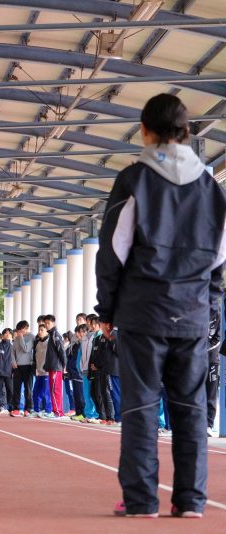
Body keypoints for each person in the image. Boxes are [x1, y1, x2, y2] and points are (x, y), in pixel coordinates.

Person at [95, 94, 226, 518]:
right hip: (192, 315)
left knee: (140, 408)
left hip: (142, 313)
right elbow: (219, 260)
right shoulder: (211, 189)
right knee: (191, 409)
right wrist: (209, 306)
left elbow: (113, 251)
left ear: (144, 130)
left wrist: (106, 310)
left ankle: (141, 500)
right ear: (186, 132)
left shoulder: (134, 180)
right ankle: (190, 501)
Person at [42, 315, 67, 419]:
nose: (47, 325)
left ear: (53, 323)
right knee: (53, 389)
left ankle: (58, 412)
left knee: (55, 390)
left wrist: (64, 365)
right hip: (52, 367)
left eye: (48, 323)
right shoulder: (51, 334)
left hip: (56, 367)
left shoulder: (55, 334)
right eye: (45, 323)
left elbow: (61, 351)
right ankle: (57, 411)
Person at [11, 320, 35, 417]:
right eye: (18, 330)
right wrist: (13, 361)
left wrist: (21, 337)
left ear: (26, 328)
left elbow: (26, 349)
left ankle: (27, 409)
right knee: (16, 388)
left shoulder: (31, 337)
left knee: (28, 389)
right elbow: (12, 351)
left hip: (28, 366)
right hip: (17, 366)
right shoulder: (16, 339)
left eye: (21, 330)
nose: (19, 332)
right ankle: (16, 409)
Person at [81, 314, 102, 422]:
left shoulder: (98, 336)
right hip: (85, 369)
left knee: (94, 393)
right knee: (86, 394)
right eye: (88, 322)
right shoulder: (85, 337)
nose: (89, 324)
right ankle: (89, 414)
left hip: (94, 369)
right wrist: (80, 366)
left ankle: (95, 414)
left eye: (92, 322)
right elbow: (81, 354)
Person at [68, 325, 88, 422]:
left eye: (80, 332)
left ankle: (83, 414)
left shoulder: (84, 344)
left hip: (80, 373)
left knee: (81, 395)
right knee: (76, 395)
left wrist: (79, 370)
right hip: (73, 373)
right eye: (77, 332)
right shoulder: (76, 344)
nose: (78, 334)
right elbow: (71, 359)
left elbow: (81, 360)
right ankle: (78, 412)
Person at [31, 324, 51, 417]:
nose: (39, 332)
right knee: (36, 392)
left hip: (47, 372)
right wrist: (35, 368)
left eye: (42, 330)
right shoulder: (37, 343)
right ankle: (36, 410)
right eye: (39, 330)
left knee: (46, 393)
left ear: (47, 331)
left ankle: (48, 411)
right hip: (39, 372)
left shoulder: (50, 342)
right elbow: (35, 357)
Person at [206, 310, 221, 437]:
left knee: (211, 393)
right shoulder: (195, 310)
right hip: (194, 361)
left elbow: (218, 338)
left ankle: (208, 425)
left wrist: (203, 349)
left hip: (212, 360)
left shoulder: (217, 314)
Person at [0, 328, 14, 414]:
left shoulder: (13, 347)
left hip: (9, 372)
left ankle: (11, 407)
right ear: (2, 336)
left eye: (9, 334)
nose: (7, 335)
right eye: (5, 333)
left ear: (11, 336)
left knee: (10, 390)